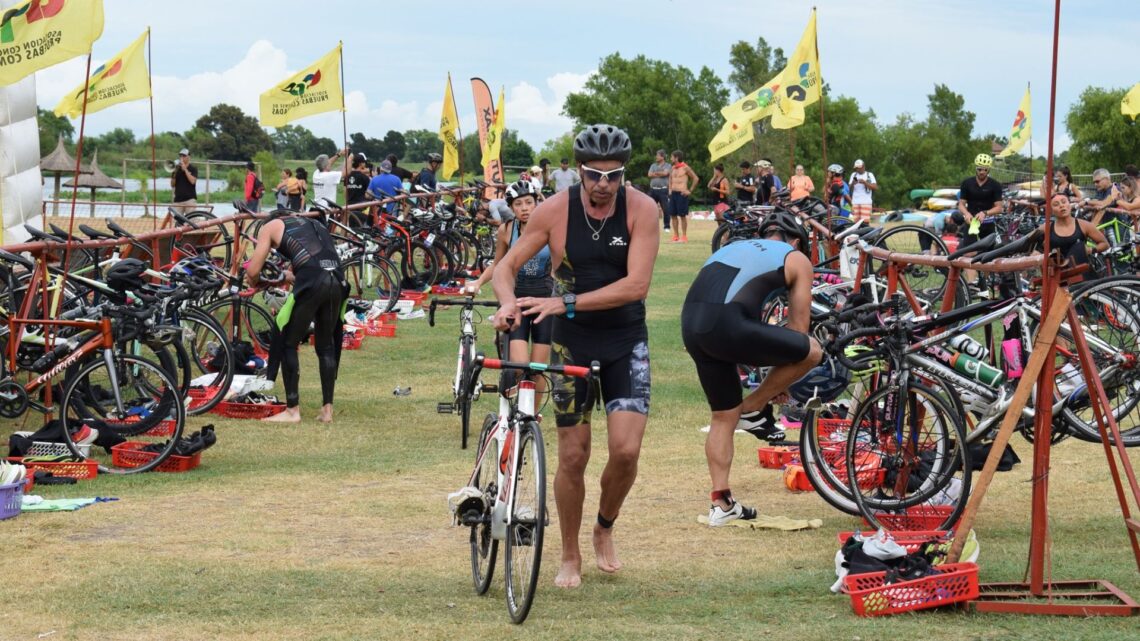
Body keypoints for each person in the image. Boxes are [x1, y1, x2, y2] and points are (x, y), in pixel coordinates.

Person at [491, 124, 658, 589]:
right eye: (593, 174)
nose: (603, 184)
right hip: (572, 343)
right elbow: (506, 267)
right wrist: (507, 303)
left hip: (626, 339)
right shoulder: (554, 210)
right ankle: (569, 554)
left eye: (614, 175)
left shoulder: (643, 209)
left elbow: (636, 286)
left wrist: (560, 303)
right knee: (572, 455)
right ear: (577, 170)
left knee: (625, 451)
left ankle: (604, 526)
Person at [681, 211, 822, 525]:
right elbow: (798, 333)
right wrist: (780, 380)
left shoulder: (733, 246)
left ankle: (722, 504)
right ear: (796, 241)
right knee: (812, 351)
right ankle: (752, 408)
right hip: (729, 324)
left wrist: (778, 375)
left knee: (722, 416)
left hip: (692, 325)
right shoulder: (796, 258)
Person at [246, 211, 348, 424]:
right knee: (326, 345)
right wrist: (289, 275)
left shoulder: (270, 226)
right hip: (337, 277)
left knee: (287, 342)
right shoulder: (312, 223)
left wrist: (256, 281)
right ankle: (327, 410)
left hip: (313, 278)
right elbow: (312, 255)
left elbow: (253, 271)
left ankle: (292, 411)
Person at [466, 180, 554, 399]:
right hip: (516, 300)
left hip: (544, 301)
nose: (524, 208)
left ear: (537, 203)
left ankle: (531, 418)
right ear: (511, 207)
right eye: (518, 204)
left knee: (539, 369)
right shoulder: (507, 230)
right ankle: (518, 409)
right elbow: (498, 264)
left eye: (529, 202)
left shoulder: (551, 228)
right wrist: (477, 283)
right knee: (520, 366)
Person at [1040, 192, 1107, 282]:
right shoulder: (1046, 228)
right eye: (1056, 204)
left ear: (1069, 204)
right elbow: (1036, 251)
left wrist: (1091, 250)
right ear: (1051, 210)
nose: (1061, 206)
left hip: (1081, 271)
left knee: (1079, 247)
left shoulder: (1084, 225)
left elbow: (1105, 244)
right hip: (1059, 273)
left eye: (1064, 202)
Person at [952, 153, 1004, 247]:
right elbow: (961, 204)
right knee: (968, 253)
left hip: (988, 223)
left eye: (985, 169)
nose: (982, 172)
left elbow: (999, 208)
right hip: (971, 222)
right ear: (976, 168)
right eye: (979, 169)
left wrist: (985, 213)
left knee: (987, 256)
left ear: (989, 169)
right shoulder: (967, 183)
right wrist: (966, 213)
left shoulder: (995, 185)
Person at [667, 150, 699, 243]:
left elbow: (696, 178)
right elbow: (670, 178)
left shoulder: (685, 168)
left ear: (676, 158)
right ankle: (676, 236)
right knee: (673, 215)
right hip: (673, 194)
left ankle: (684, 236)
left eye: (672, 157)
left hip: (682, 194)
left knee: (682, 216)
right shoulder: (672, 168)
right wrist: (669, 189)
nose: (671, 158)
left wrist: (690, 190)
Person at [647, 150, 671, 231]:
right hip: (652, 190)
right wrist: (660, 173)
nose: (656, 157)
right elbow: (649, 174)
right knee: (650, 209)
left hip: (663, 190)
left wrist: (655, 173)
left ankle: (667, 227)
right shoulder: (653, 165)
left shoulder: (668, 165)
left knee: (666, 209)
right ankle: (650, 226)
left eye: (657, 155)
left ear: (662, 157)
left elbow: (666, 173)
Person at [170, 148, 198, 213]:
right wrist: (174, 173)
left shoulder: (193, 168)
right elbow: (172, 185)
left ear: (189, 157)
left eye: (184, 156)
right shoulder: (176, 168)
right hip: (178, 200)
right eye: (180, 156)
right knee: (178, 222)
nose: (182, 158)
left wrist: (185, 169)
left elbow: (193, 181)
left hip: (190, 200)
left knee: (192, 221)